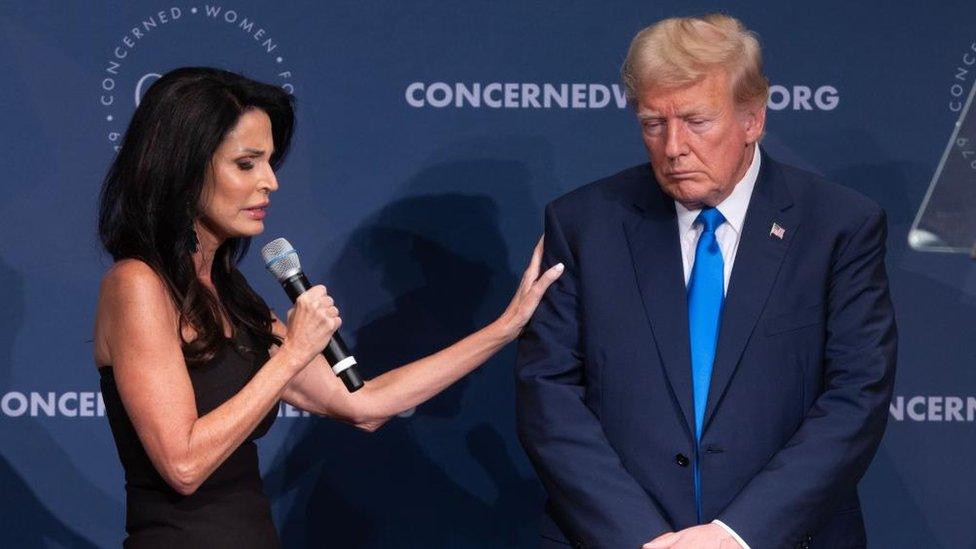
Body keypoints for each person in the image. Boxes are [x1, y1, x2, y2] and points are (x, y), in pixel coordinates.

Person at [93, 66, 562, 548]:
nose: (271, 182)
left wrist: (504, 328)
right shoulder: (137, 285)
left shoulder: (230, 292)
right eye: (247, 163)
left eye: (271, 162)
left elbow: (365, 404)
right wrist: (293, 354)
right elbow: (184, 464)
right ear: (185, 170)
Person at [516, 14, 896, 549]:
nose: (673, 147)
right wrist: (641, 537)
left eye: (696, 121)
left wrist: (734, 536)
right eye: (653, 123)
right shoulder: (583, 224)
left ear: (753, 120)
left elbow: (856, 397)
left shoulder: (838, 227)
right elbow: (548, 395)